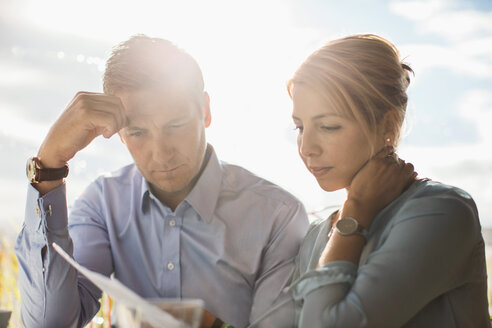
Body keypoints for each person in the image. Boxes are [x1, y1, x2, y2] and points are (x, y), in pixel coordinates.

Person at [15, 34, 309, 328]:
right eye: (138, 132)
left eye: (176, 125)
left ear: (205, 110)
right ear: (116, 131)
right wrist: (49, 164)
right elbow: (49, 324)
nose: (161, 154)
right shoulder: (103, 203)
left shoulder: (278, 216)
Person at [252, 34, 490, 327]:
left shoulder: (441, 213)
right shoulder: (316, 235)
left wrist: (355, 213)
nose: (306, 147)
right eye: (300, 127)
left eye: (328, 126)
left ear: (387, 124)